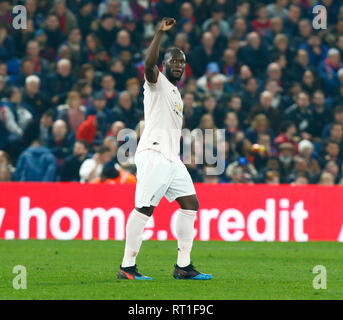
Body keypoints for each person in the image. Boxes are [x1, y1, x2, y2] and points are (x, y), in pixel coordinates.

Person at [118, 18, 212, 281]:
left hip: (172, 159)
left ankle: (183, 266)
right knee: (144, 208)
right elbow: (148, 64)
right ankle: (126, 267)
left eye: (182, 62)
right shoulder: (156, 81)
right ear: (164, 64)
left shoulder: (175, 92)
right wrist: (159, 33)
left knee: (191, 204)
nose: (179, 65)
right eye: (174, 61)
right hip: (154, 154)